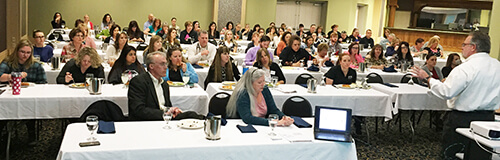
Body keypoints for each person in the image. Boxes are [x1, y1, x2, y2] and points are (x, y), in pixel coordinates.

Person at [411, 32, 500, 159]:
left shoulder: (465, 68)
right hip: (488, 119)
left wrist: (428, 79)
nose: (462, 47)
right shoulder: (497, 66)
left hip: (462, 119)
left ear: (473, 47)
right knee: (480, 155)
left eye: (464, 44)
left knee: (452, 154)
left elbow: (447, 92)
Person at [0, 39, 46, 145]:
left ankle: (31, 133)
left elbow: (43, 83)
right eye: (22, 52)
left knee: (30, 106)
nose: (25, 55)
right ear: (17, 51)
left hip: (30, 97)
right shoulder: (8, 62)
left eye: (28, 53)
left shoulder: (36, 65)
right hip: (10, 96)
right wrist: (13, 76)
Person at [226, 67, 294, 126]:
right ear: (250, 83)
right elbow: (247, 118)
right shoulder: (243, 94)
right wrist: (272, 122)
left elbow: (273, 110)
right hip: (245, 126)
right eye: (259, 82)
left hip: (262, 126)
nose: (263, 84)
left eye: (264, 81)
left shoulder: (265, 90)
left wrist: (284, 117)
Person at [127, 51, 182, 121]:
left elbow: (167, 106)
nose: (166, 67)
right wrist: (165, 112)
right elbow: (138, 110)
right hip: (145, 122)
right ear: (151, 66)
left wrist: (172, 110)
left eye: (166, 64)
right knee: (191, 116)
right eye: (162, 64)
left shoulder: (164, 84)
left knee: (191, 116)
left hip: (163, 119)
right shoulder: (138, 82)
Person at [324, 53, 363, 134]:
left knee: (359, 102)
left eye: (349, 61)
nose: (347, 63)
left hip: (349, 93)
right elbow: (328, 85)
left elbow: (353, 84)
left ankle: (358, 124)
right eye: (344, 61)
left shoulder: (353, 72)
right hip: (336, 94)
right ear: (340, 62)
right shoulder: (334, 70)